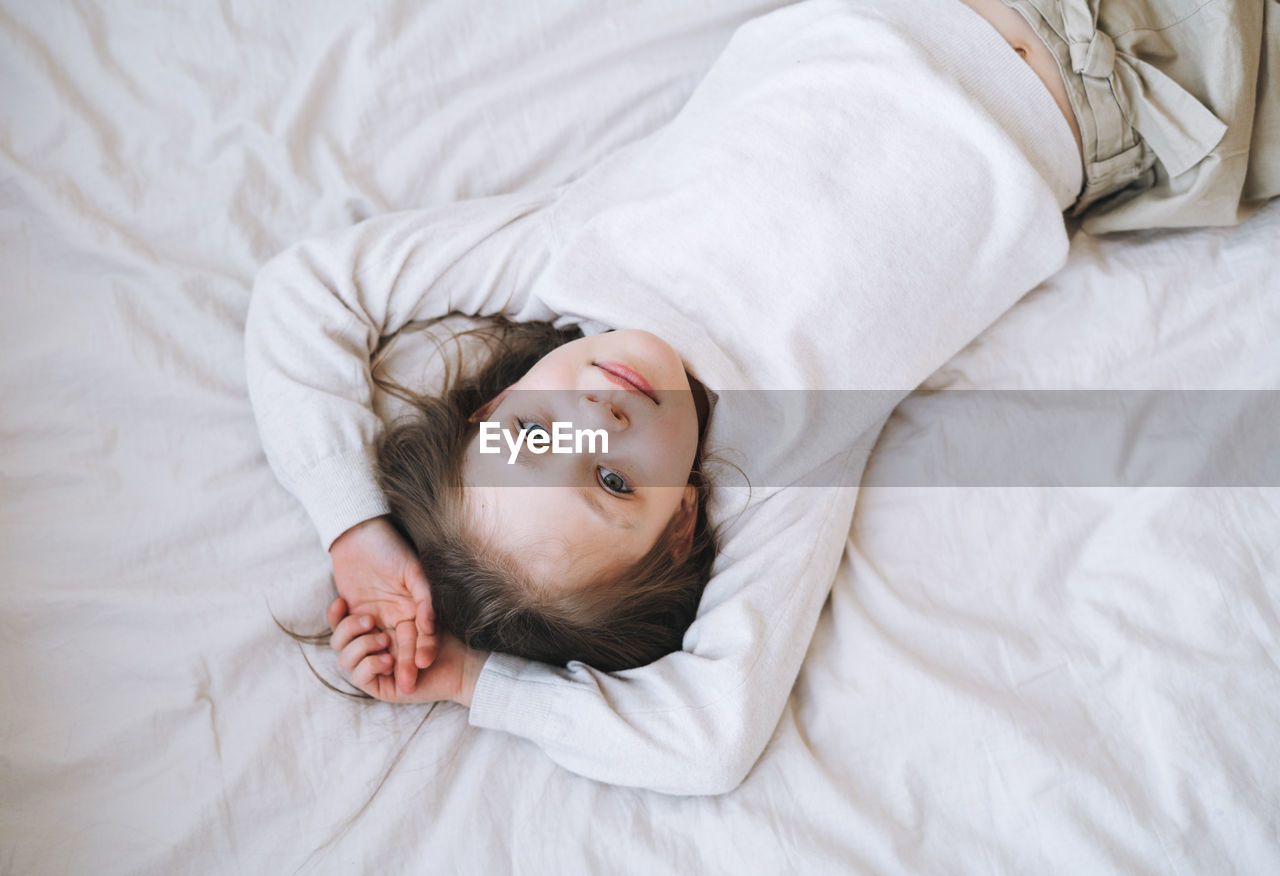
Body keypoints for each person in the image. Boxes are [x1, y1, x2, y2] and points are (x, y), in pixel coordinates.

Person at [246, 0, 1276, 794]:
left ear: (491, 405)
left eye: (534, 434)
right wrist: (472, 683)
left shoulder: (570, 253)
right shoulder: (786, 452)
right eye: (610, 481)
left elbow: (307, 293)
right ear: (683, 514)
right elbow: (705, 740)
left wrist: (353, 531)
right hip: (1148, 90)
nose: (595, 422)